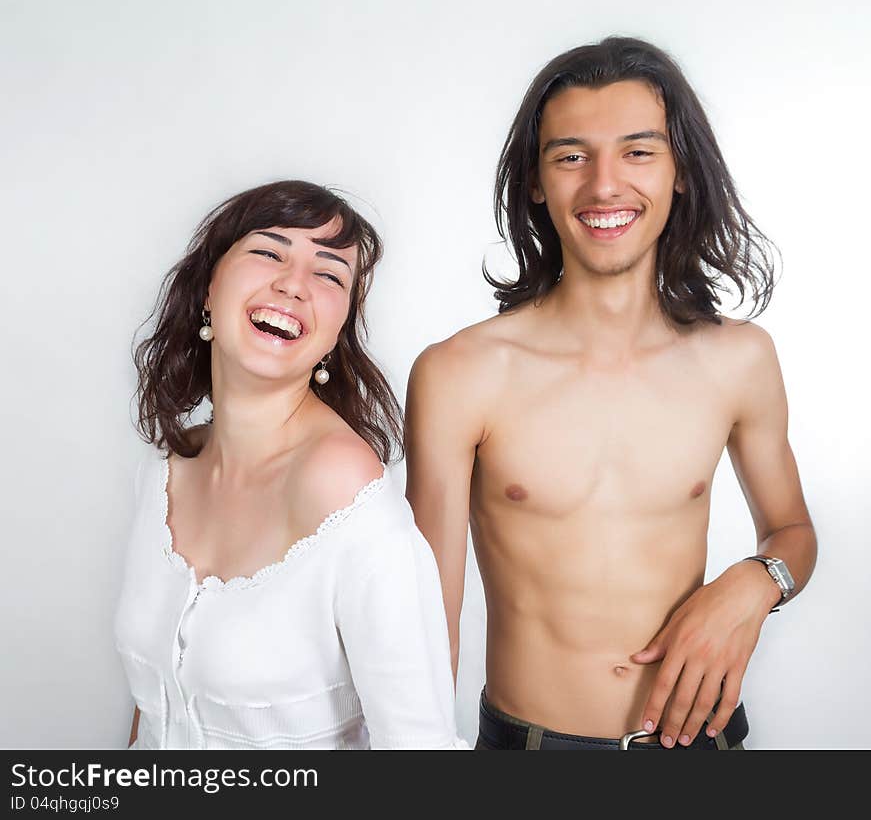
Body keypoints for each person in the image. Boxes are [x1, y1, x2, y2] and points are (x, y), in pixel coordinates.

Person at [405, 37, 817, 750]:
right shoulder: (461, 372)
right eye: (571, 156)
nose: (603, 187)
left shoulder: (739, 359)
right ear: (535, 181)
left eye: (637, 152)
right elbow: (420, 626)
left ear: (680, 171)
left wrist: (754, 582)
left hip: (703, 750)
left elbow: (794, 534)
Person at [115, 180, 464, 750]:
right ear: (208, 287)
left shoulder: (349, 498)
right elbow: (154, 712)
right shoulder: (162, 475)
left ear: (336, 331)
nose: (293, 284)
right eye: (268, 251)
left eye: (329, 274)